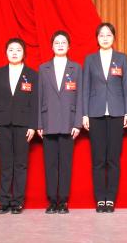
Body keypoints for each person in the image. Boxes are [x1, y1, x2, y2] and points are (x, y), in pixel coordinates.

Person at [80, 23, 127, 213]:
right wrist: (85, 114)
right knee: (98, 159)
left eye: (108, 35)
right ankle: (100, 199)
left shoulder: (122, 58)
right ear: (97, 38)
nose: (105, 38)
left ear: (113, 38)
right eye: (101, 35)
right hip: (95, 113)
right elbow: (85, 87)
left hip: (117, 113)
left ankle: (110, 199)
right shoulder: (90, 59)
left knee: (113, 159)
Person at [0, 38, 38, 214]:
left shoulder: (32, 74)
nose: (14, 53)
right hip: (2, 124)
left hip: (24, 125)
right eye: (11, 50)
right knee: (5, 163)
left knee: (21, 164)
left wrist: (33, 125)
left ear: (24, 53)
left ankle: (17, 202)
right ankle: (3, 201)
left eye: (18, 50)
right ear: (6, 53)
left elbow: (35, 102)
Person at [37, 31, 83, 214]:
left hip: (68, 122)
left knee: (65, 165)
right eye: (57, 42)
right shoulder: (43, 68)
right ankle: (51, 201)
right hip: (48, 121)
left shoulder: (76, 68)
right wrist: (39, 124)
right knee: (50, 165)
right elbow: (39, 97)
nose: (60, 45)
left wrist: (77, 123)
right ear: (52, 46)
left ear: (69, 46)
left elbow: (80, 97)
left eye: (64, 42)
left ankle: (63, 201)